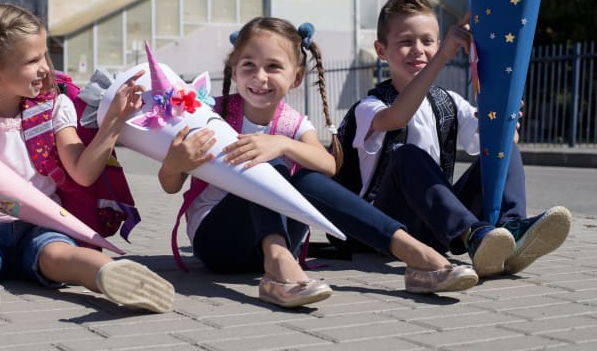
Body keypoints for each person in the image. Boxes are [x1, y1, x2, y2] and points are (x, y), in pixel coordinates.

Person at [159, 17, 478, 309]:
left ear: (296, 77)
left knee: (302, 176)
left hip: (286, 235)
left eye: (273, 66)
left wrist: (282, 143)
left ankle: (412, 253)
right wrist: (175, 162)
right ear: (234, 68)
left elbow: (328, 166)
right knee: (272, 169)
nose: (260, 77)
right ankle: (278, 265)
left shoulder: (294, 124)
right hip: (220, 241)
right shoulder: (211, 113)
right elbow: (170, 184)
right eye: (248, 65)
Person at [0, 2, 174, 329]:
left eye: (44, 54)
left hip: (40, 228)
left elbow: (82, 172)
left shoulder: (55, 110)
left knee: (63, 257)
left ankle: (115, 276)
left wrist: (112, 123)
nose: (45, 67)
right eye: (32, 60)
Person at [347, 0, 571, 278]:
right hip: (389, 226)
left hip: (436, 223)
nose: (419, 49)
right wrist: (442, 56)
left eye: (428, 41)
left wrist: (503, 121)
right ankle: (476, 237)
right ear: (381, 51)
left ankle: (511, 232)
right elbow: (397, 117)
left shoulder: (449, 101)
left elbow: (499, 147)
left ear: (437, 42)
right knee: (406, 156)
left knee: (505, 148)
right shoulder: (369, 106)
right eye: (406, 42)